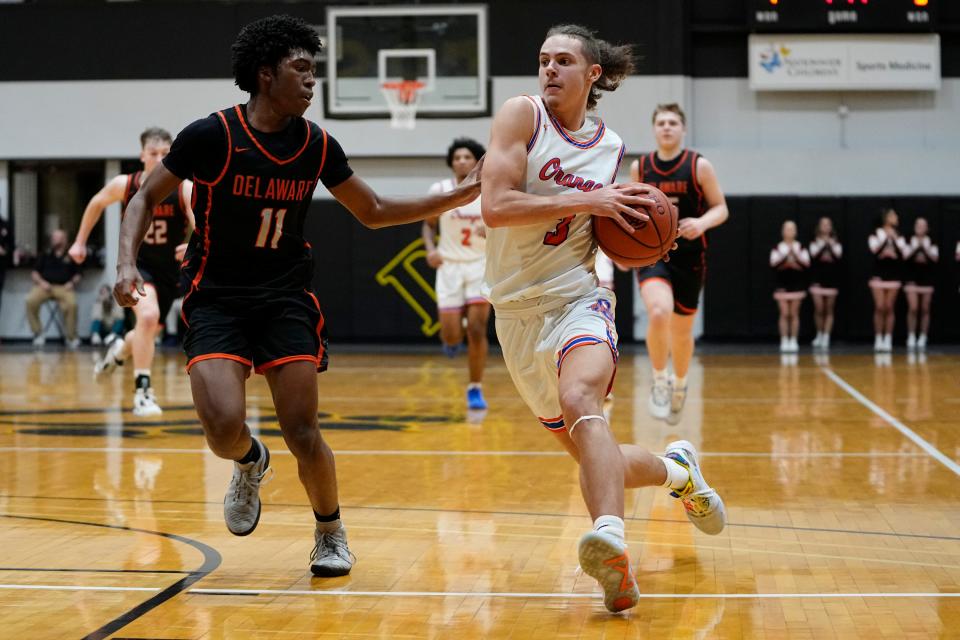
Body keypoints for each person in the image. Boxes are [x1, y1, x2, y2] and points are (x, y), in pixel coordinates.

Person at [112, 15, 479, 578]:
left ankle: (330, 531)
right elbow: (141, 199)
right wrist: (124, 262)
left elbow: (374, 211)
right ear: (265, 75)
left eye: (315, 71)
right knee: (221, 428)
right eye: (301, 70)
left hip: (284, 297)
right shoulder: (212, 135)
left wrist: (459, 197)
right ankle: (249, 460)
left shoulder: (316, 145)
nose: (313, 82)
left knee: (303, 430)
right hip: (216, 299)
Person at [481, 23, 726, 614]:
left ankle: (611, 542)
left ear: (593, 74)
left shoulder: (612, 148)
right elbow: (494, 206)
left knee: (581, 394)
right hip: (515, 313)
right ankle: (678, 471)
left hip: (577, 298)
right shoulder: (522, 116)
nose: (549, 70)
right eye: (543, 60)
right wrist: (587, 199)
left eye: (563, 61)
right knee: (599, 457)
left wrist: (649, 234)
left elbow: (614, 229)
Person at [69, 127, 195, 416]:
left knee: (146, 330)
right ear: (142, 155)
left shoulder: (183, 187)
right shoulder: (126, 184)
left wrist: (194, 245)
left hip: (171, 274)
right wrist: (79, 241)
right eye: (154, 154)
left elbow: (201, 221)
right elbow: (96, 202)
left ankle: (117, 353)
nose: (160, 158)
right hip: (138, 268)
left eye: (166, 153)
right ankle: (143, 393)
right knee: (148, 318)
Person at [629, 104, 728, 424]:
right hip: (654, 255)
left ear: (683, 129)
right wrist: (624, 248)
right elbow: (631, 212)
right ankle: (659, 381)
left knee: (682, 334)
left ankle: (680, 385)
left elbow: (721, 209)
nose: (667, 127)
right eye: (661, 122)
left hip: (690, 257)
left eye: (673, 122)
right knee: (658, 312)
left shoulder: (698, 166)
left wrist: (701, 223)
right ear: (654, 129)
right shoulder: (641, 168)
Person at [421, 137, 491, 410]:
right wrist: (430, 250)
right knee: (451, 335)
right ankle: (452, 338)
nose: (462, 161)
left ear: (477, 162)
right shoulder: (439, 190)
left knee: (477, 329)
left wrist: (493, 230)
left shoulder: (490, 191)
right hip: (449, 266)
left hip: (480, 265)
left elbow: (508, 223)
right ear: (451, 163)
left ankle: (475, 387)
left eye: (467, 157)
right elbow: (428, 226)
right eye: (457, 157)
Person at [26, 229, 81, 348]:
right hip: (45, 287)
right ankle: (38, 333)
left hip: (64, 288)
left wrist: (72, 283)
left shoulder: (71, 254)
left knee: (72, 305)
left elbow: (78, 275)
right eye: (54, 238)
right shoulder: (45, 254)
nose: (55, 240)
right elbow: (34, 273)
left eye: (58, 238)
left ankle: (71, 337)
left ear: (64, 240)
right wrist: (41, 282)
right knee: (30, 300)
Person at [770, 220, 810, 353]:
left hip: (796, 284)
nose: (789, 231)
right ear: (782, 231)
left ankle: (793, 340)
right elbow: (774, 264)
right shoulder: (778, 247)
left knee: (794, 313)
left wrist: (795, 256)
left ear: (796, 231)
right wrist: (787, 256)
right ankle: (784, 340)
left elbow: (805, 265)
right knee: (784, 313)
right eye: (787, 229)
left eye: (792, 229)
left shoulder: (800, 247)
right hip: (782, 284)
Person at [900, 217, 938, 350]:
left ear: (927, 228)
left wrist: (924, 249)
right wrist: (917, 248)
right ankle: (911, 335)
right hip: (912, 277)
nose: (920, 227)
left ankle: (923, 336)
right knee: (913, 308)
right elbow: (905, 257)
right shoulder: (909, 240)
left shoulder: (931, 241)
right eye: (918, 224)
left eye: (923, 225)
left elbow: (934, 258)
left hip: (927, 278)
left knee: (925, 308)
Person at [868, 209, 902, 352]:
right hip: (878, 274)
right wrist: (886, 239)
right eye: (893, 215)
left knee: (889, 307)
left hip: (893, 275)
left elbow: (903, 253)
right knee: (880, 307)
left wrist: (893, 239)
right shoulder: (876, 233)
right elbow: (875, 251)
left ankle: (888, 338)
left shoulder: (898, 235)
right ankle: (878, 337)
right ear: (886, 218)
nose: (896, 217)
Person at [807, 217, 842, 350]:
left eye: (828, 224)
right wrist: (824, 244)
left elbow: (837, 257)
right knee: (819, 308)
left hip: (831, 279)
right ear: (819, 227)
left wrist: (830, 244)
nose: (826, 227)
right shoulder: (814, 241)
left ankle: (826, 335)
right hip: (817, 279)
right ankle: (819, 333)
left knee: (829, 309)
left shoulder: (836, 242)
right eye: (823, 224)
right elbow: (814, 256)